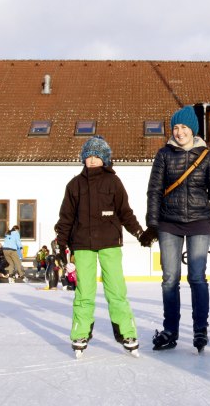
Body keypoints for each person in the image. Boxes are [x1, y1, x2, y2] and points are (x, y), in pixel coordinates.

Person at [139, 105, 210, 353]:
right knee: (170, 279)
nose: (179, 132)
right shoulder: (164, 155)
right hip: (169, 223)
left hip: (200, 222)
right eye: (176, 127)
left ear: (193, 129)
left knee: (197, 277)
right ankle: (171, 330)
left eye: (184, 127)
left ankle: (200, 329)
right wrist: (152, 224)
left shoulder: (207, 156)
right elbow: (154, 191)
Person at [55, 135, 145, 357]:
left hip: (109, 243)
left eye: (97, 156)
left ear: (105, 159)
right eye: (89, 156)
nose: (93, 160)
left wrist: (139, 232)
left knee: (116, 290)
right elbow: (65, 218)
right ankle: (80, 333)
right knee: (84, 292)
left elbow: (125, 212)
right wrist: (61, 244)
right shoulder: (74, 185)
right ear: (83, 158)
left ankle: (127, 332)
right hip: (82, 244)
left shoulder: (113, 182)